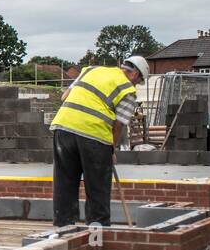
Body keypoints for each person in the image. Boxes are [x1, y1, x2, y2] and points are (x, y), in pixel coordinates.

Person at [49, 55, 147, 227]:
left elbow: (65, 96)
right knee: (97, 185)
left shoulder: (91, 70)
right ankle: (98, 231)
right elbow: (118, 125)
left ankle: (63, 227)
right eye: (139, 82)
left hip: (63, 127)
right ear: (135, 75)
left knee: (64, 181)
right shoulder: (127, 90)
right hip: (93, 135)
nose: (136, 85)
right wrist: (111, 150)